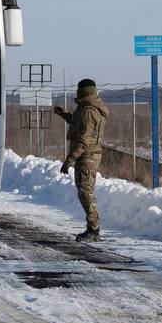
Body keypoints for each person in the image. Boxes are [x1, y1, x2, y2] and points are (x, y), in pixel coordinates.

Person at [54, 78, 109, 242]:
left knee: (86, 192)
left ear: (82, 92)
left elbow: (83, 140)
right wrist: (64, 114)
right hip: (90, 154)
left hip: (87, 156)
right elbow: (79, 124)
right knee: (86, 191)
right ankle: (93, 228)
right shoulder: (90, 108)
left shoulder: (87, 110)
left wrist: (69, 159)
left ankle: (93, 230)